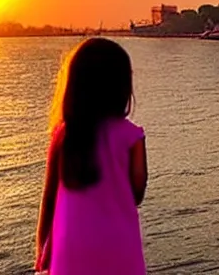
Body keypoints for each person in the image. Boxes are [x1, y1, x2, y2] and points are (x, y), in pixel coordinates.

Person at [34, 38, 148, 274]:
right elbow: (136, 194)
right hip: (118, 244)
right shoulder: (132, 137)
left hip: (70, 244)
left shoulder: (64, 134)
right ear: (122, 85)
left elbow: (49, 197)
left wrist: (41, 249)